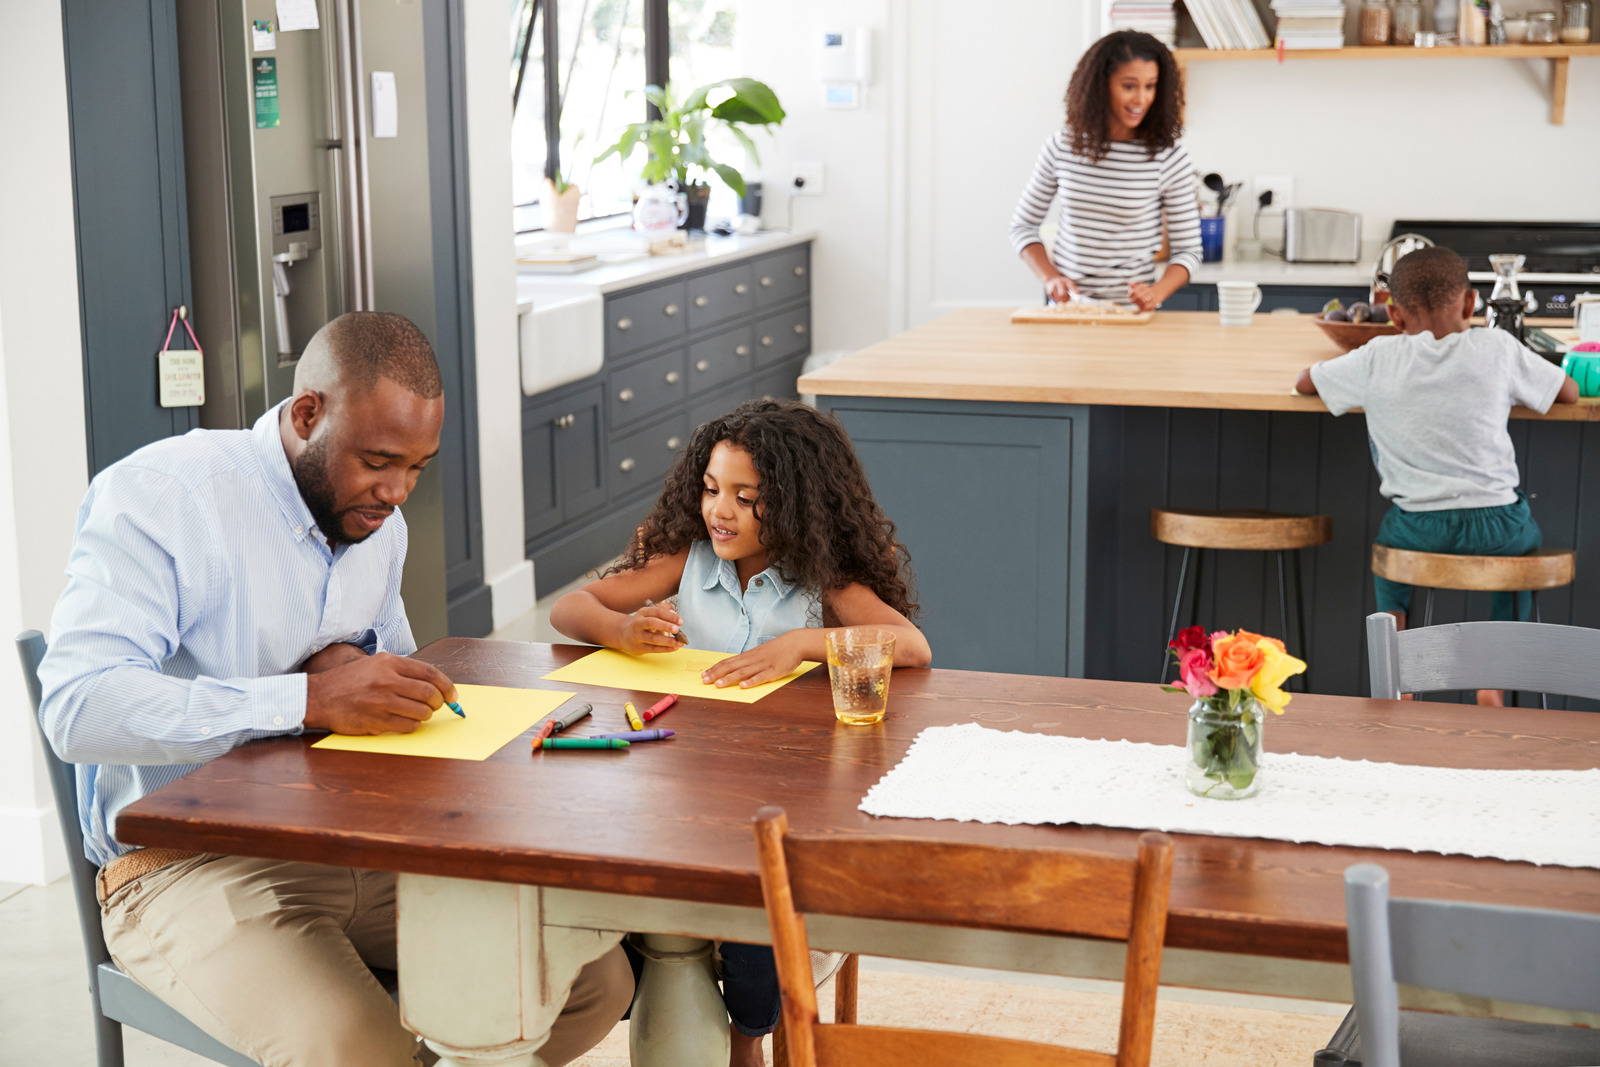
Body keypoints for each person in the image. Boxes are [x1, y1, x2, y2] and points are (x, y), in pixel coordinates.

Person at [39, 311, 633, 1066]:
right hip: (180, 866)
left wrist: (371, 674)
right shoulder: (163, 497)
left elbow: (392, 676)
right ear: (308, 412)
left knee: (592, 980)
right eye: (380, 460)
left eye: (418, 467)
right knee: (361, 1050)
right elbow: (78, 707)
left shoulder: (376, 523)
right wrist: (305, 701)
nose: (397, 493)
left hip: (347, 839)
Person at [549, 398, 931, 1066]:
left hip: (781, 794)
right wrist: (620, 628)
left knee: (756, 916)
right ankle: (678, 998)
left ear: (793, 502)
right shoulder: (688, 557)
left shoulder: (822, 578)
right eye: (710, 489)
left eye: (745, 497)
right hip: (686, 781)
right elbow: (569, 606)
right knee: (638, 887)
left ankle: (748, 1036)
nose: (720, 511)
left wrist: (807, 644)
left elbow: (911, 645)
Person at [1294, 247, 1579, 704]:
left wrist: (1319, 371)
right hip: (1499, 525)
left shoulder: (1378, 355)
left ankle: (1400, 674)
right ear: (1471, 304)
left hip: (1415, 529)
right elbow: (1568, 392)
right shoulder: (1497, 347)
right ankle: (1493, 678)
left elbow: (1307, 383)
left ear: (1393, 314)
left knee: (1389, 560)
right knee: (1517, 562)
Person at [1010, 29, 1202, 311]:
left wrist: (1156, 292)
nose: (1141, 99)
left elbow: (1189, 251)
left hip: (1132, 314)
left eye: (1150, 86)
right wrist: (1050, 278)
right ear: (1101, 86)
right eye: (1129, 86)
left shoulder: (1167, 158)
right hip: (1068, 310)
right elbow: (1022, 227)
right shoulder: (1063, 146)